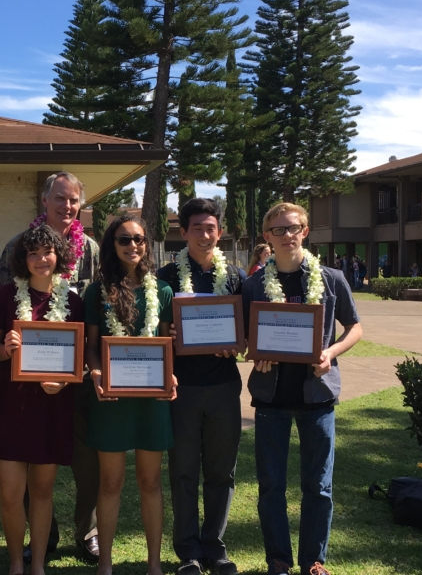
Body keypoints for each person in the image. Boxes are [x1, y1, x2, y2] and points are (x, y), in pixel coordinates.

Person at [241, 203, 361, 575]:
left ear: (305, 232)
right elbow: (245, 339)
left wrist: (330, 352)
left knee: (319, 485)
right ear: (267, 237)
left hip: (317, 397)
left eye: (294, 228)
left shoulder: (331, 278)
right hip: (272, 398)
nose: (287, 235)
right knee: (271, 485)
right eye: (279, 230)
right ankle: (278, 558)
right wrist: (254, 355)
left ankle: (314, 560)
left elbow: (355, 328)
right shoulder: (254, 285)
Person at [0, 171, 101, 563]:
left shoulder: (90, 248)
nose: (67, 206)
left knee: (86, 460)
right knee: (30, 468)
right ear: (44, 200)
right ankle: (42, 537)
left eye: (74, 201)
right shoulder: (19, 246)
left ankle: (87, 530)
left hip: (74, 376)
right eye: (60, 198)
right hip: (22, 382)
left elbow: (98, 304)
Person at [84, 214, 177, 575]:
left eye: (138, 239)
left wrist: (169, 374)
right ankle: (105, 563)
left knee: (150, 481)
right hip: (112, 398)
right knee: (111, 482)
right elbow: (92, 347)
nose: (133, 246)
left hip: (152, 400)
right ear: (113, 244)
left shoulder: (162, 291)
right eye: (124, 240)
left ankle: (153, 564)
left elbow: (167, 344)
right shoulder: (97, 290)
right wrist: (95, 372)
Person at [157, 199, 244, 575]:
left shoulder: (237, 278)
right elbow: (155, 331)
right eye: (197, 228)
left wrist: (237, 343)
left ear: (219, 232)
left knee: (222, 472)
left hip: (224, 386)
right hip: (184, 388)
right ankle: (188, 550)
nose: (205, 235)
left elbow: (247, 335)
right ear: (183, 232)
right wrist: (169, 334)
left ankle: (215, 546)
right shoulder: (166, 277)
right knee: (183, 471)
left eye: (211, 228)